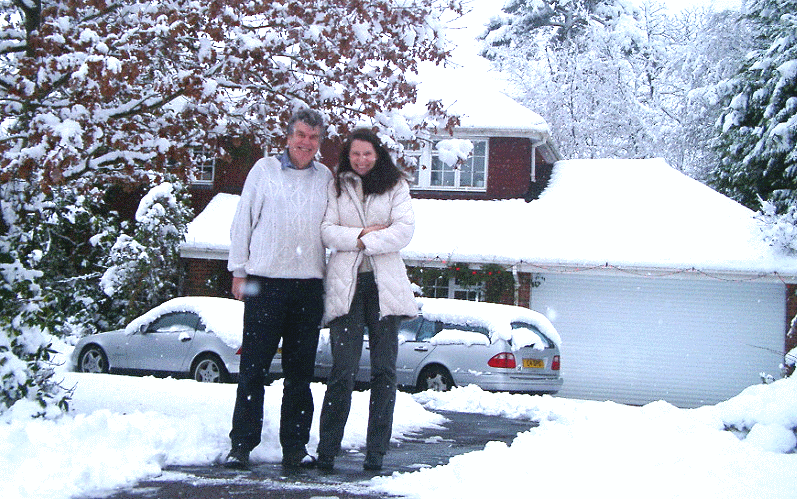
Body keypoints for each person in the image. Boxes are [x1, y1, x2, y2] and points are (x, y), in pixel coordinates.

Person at [224, 108, 333, 470]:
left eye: (313, 137)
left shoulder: (325, 178)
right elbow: (243, 221)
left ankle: (295, 447)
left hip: (308, 288)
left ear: (319, 142)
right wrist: (238, 271)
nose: (306, 143)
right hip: (264, 283)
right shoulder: (263, 170)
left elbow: (333, 228)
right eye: (301, 135)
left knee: (300, 375)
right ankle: (241, 445)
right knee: (253, 369)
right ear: (288, 137)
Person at [315, 128, 417, 471]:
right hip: (346, 286)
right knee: (342, 370)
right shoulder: (336, 186)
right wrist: (362, 235)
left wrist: (365, 242)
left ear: (378, 155)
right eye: (355, 154)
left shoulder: (395, 185)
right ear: (348, 155)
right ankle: (327, 450)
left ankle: (376, 452)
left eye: (367, 154)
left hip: (385, 287)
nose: (361, 160)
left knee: (384, 372)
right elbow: (327, 231)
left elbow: (403, 231)